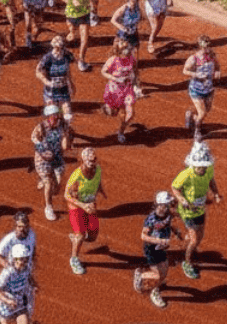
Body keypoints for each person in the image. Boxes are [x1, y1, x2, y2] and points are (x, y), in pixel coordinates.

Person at [171, 141, 221, 281]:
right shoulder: (186, 174)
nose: (201, 169)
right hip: (187, 212)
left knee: (200, 235)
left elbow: (211, 180)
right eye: (199, 166)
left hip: (200, 210)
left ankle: (189, 245)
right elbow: (175, 188)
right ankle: (187, 263)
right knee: (194, 240)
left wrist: (216, 193)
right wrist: (182, 200)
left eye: (203, 166)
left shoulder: (208, 170)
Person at [133, 190, 182, 310]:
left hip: (161, 248)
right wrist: (159, 240)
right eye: (167, 204)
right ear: (160, 205)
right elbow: (143, 236)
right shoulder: (151, 219)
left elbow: (168, 223)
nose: (169, 206)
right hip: (151, 249)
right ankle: (151, 289)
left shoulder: (168, 213)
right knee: (158, 275)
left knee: (164, 271)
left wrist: (175, 231)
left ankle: (150, 281)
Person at [64, 147, 105, 276]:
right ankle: (74, 259)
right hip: (76, 206)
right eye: (90, 160)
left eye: (94, 159)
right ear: (82, 161)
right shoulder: (77, 176)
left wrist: (101, 190)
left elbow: (97, 181)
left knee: (92, 237)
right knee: (81, 234)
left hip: (90, 205)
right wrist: (83, 205)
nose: (93, 162)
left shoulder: (98, 170)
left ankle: (76, 238)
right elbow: (66, 195)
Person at [32, 104, 70, 222]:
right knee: (48, 182)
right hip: (42, 159)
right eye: (54, 115)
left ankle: (44, 181)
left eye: (57, 115)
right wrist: (43, 150)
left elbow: (65, 140)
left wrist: (65, 141)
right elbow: (34, 139)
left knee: (57, 187)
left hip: (57, 157)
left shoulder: (62, 125)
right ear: (48, 117)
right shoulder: (41, 127)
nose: (56, 117)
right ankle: (48, 207)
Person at [101, 36, 141, 143]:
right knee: (112, 112)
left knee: (129, 114)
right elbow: (103, 71)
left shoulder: (132, 59)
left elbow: (135, 72)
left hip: (127, 90)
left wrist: (137, 86)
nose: (127, 52)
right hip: (114, 90)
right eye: (125, 50)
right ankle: (113, 108)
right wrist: (115, 78)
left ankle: (121, 131)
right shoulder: (113, 60)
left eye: (128, 49)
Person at [182, 35, 220, 136]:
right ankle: (197, 131)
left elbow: (217, 66)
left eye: (208, 46)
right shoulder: (194, 58)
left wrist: (217, 72)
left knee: (206, 110)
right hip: (196, 90)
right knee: (202, 113)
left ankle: (191, 115)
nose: (207, 49)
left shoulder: (212, 56)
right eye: (205, 47)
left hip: (209, 89)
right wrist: (196, 75)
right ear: (200, 47)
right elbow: (185, 70)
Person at [0, 242, 36, 324]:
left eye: (26, 259)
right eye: (21, 259)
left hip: (19, 303)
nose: (24, 262)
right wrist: (8, 301)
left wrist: (33, 285)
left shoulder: (26, 269)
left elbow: (28, 277)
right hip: (6, 307)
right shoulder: (8, 272)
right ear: (15, 259)